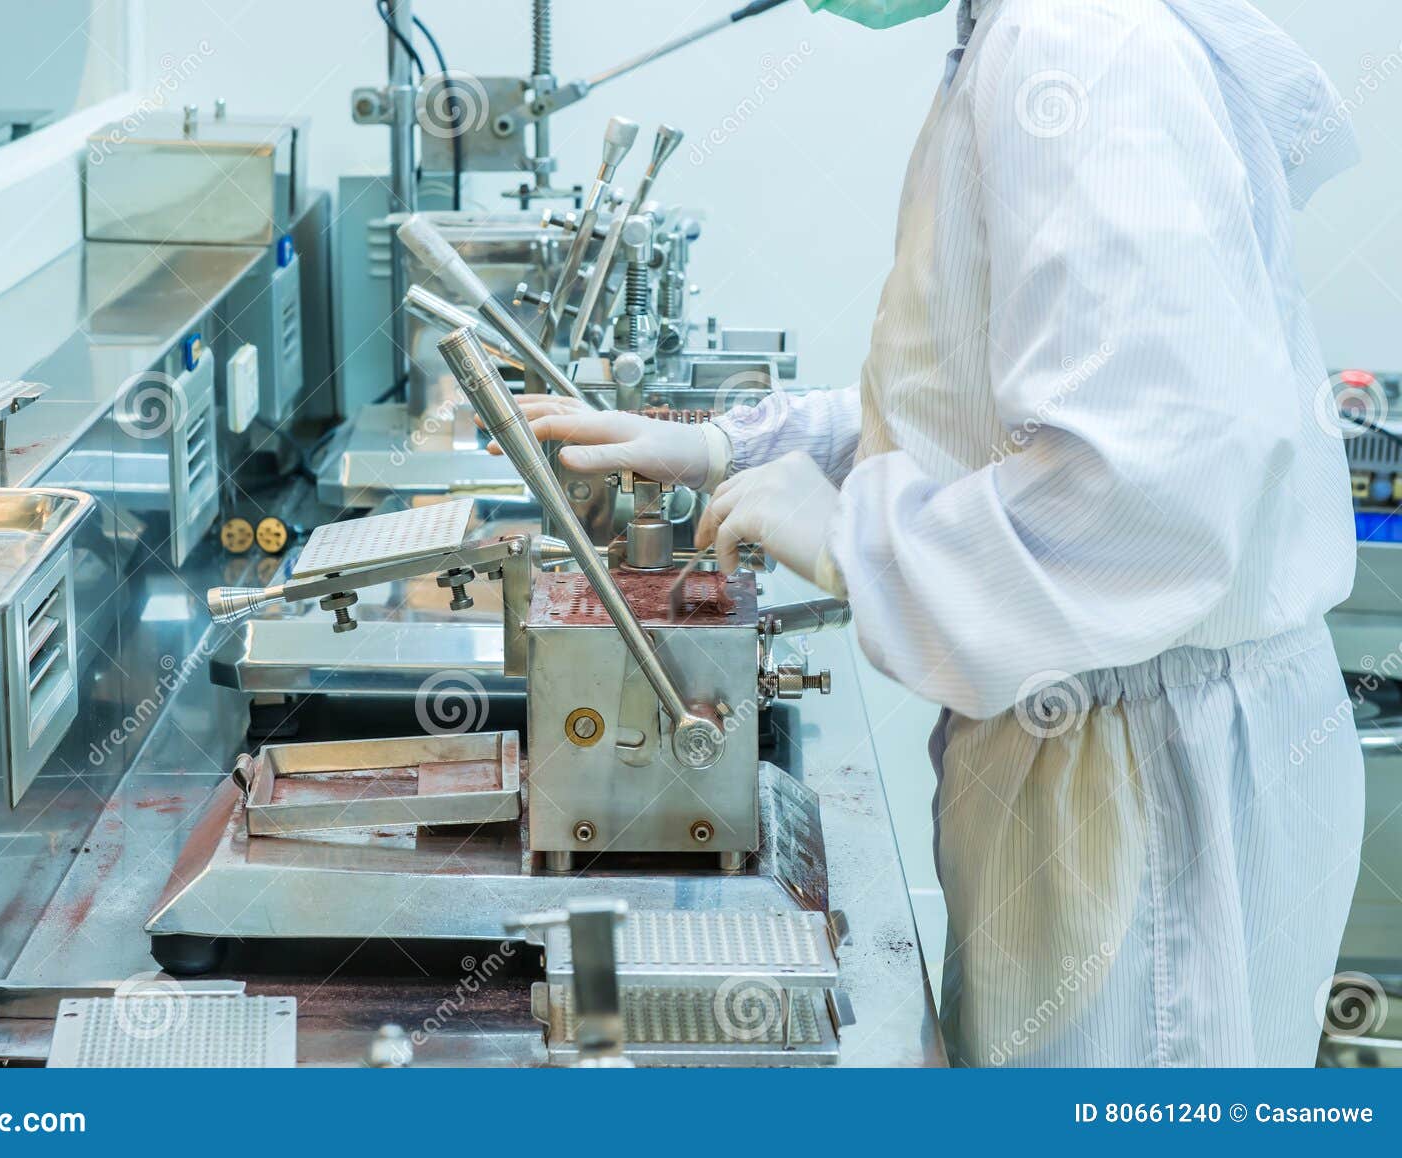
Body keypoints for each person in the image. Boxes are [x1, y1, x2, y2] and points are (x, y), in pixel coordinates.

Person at [497, 0, 1365, 1065]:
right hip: (1093, 744)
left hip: (1139, 778)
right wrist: (733, 443)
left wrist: (853, 537)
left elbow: (1143, 498)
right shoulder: (1016, 40)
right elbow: (981, 401)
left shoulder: (1074, 48)